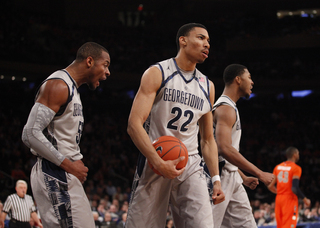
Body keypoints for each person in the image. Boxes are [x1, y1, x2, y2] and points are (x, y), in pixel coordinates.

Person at [125, 23, 225, 228]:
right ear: (183, 40)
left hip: (191, 164)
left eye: (208, 41)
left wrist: (216, 179)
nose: (207, 44)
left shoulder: (208, 86)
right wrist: (158, 162)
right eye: (201, 38)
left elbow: (207, 139)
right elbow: (134, 124)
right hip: (156, 159)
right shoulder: (157, 72)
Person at [21, 42, 111, 227]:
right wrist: (69, 165)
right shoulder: (59, 85)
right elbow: (29, 133)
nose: (107, 72)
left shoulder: (72, 88)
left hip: (62, 173)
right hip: (54, 173)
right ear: (89, 61)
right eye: (106, 65)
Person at [203, 63, 275, 227]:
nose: (252, 82)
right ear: (237, 79)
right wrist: (259, 173)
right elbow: (224, 148)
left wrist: (242, 176)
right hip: (218, 177)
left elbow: (226, 152)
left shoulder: (230, 107)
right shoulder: (225, 108)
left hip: (232, 176)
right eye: (249, 77)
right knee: (208, 225)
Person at [268, 146, 311, 228]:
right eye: (298, 153)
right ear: (294, 155)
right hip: (289, 199)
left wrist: (280, 192)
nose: (299, 155)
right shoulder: (296, 168)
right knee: (289, 225)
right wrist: (305, 199)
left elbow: (270, 186)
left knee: (280, 226)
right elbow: (295, 188)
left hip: (279, 199)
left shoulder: (278, 167)